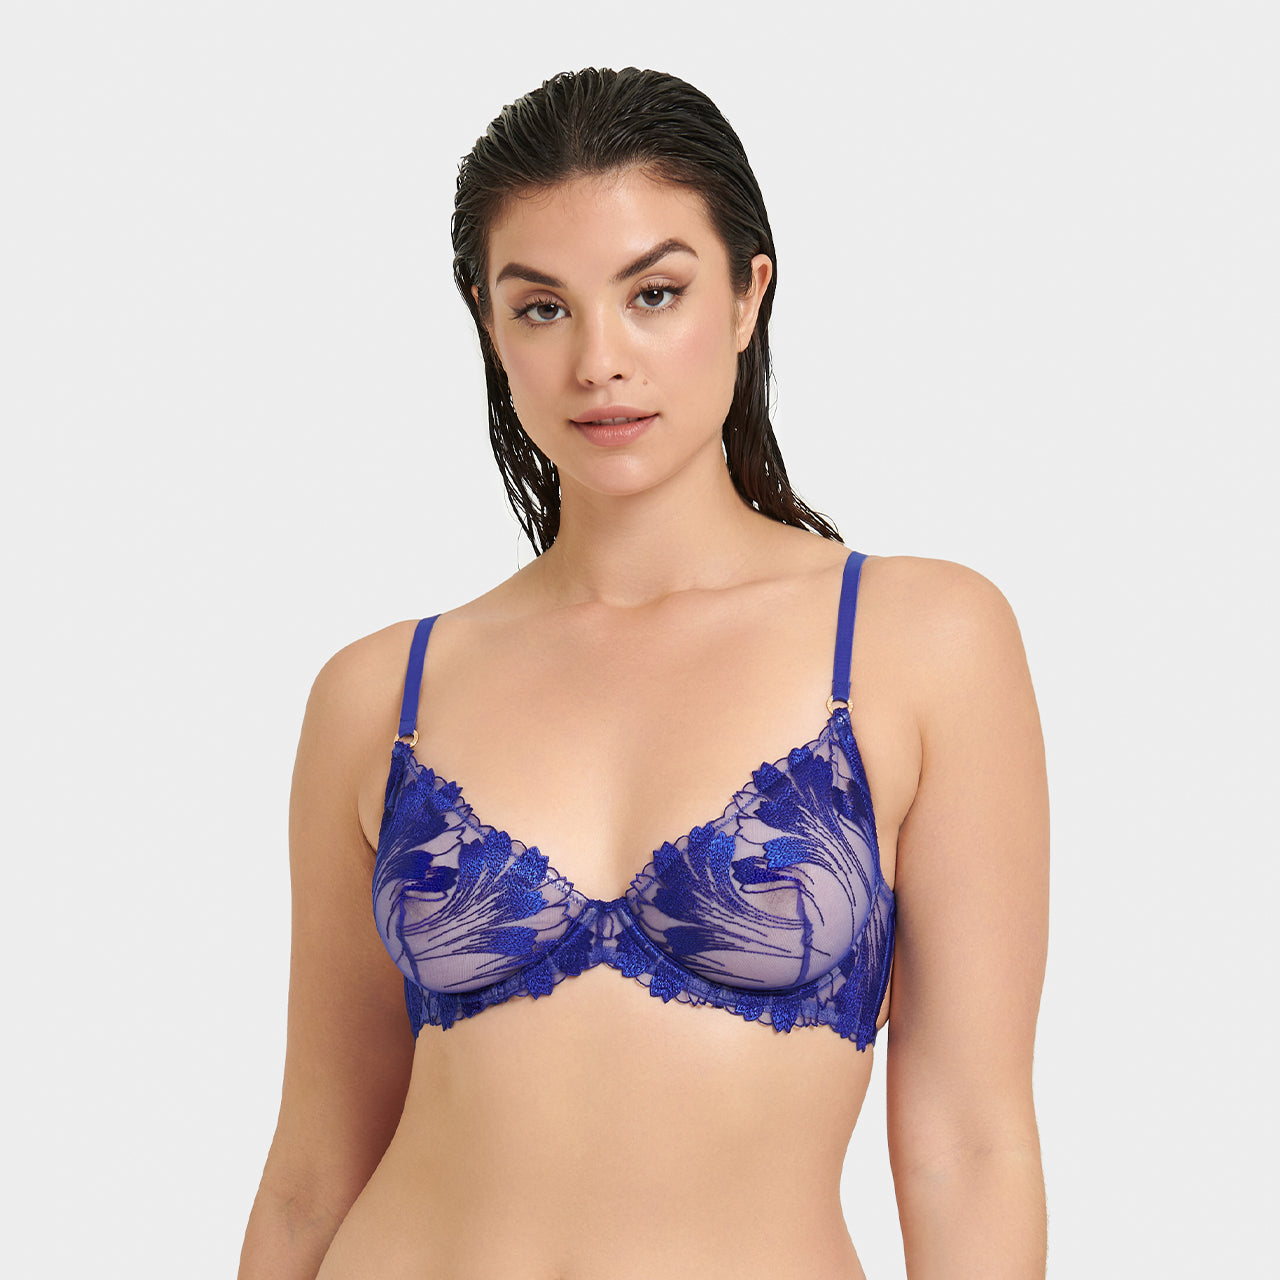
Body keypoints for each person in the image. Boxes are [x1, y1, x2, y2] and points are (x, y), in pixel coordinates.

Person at [238, 66, 1049, 1280]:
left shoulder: (919, 639)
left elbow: (967, 1148)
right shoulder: (376, 693)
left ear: (746, 295)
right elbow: (312, 1168)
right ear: (487, 322)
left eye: (653, 293)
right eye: (542, 307)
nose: (598, 360)